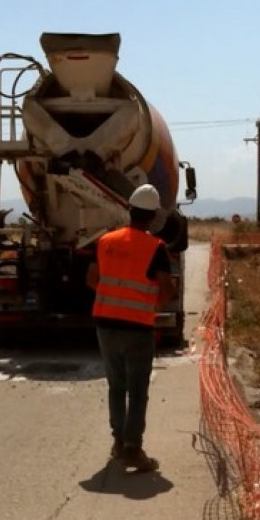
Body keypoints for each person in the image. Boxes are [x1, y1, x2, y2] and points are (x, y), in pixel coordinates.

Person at [86, 184, 175, 473]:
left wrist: (114, 295)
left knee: (116, 386)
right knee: (137, 391)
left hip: (105, 325)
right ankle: (133, 449)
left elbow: (92, 279)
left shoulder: (105, 241)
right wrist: (148, 302)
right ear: (151, 217)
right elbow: (166, 290)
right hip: (137, 328)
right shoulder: (156, 248)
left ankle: (118, 441)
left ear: (129, 211)